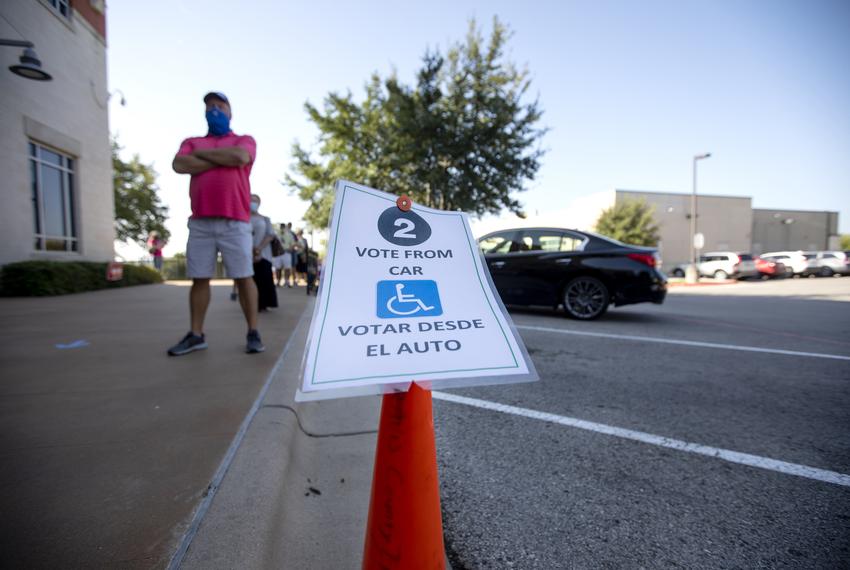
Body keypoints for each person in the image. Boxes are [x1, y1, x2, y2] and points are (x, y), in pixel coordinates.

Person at [167, 91, 264, 356]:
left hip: (235, 221)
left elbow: (240, 158)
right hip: (200, 222)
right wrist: (221, 157)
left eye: (220, 106)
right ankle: (196, 334)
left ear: (230, 111)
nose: (215, 110)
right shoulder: (192, 141)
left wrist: (201, 159)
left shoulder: (244, 140)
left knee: (244, 277)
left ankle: (253, 331)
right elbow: (178, 164)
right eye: (210, 106)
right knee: (199, 278)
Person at [250, 194, 278, 311]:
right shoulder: (243, 218)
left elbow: (271, 235)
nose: (253, 203)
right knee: (251, 280)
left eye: (255, 201)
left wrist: (259, 248)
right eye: (251, 200)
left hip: (264, 253)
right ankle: (251, 303)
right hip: (247, 254)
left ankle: (264, 303)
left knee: (264, 278)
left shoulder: (265, 219)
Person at [278, 222, 296, 287]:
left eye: (283, 226)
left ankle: (287, 281)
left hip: (286, 253)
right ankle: (278, 281)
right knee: (278, 268)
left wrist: (290, 248)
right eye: (281, 226)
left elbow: (293, 243)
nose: (282, 228)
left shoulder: (289, 235)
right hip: (278, 254)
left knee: (287, 268)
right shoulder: (277, 234)